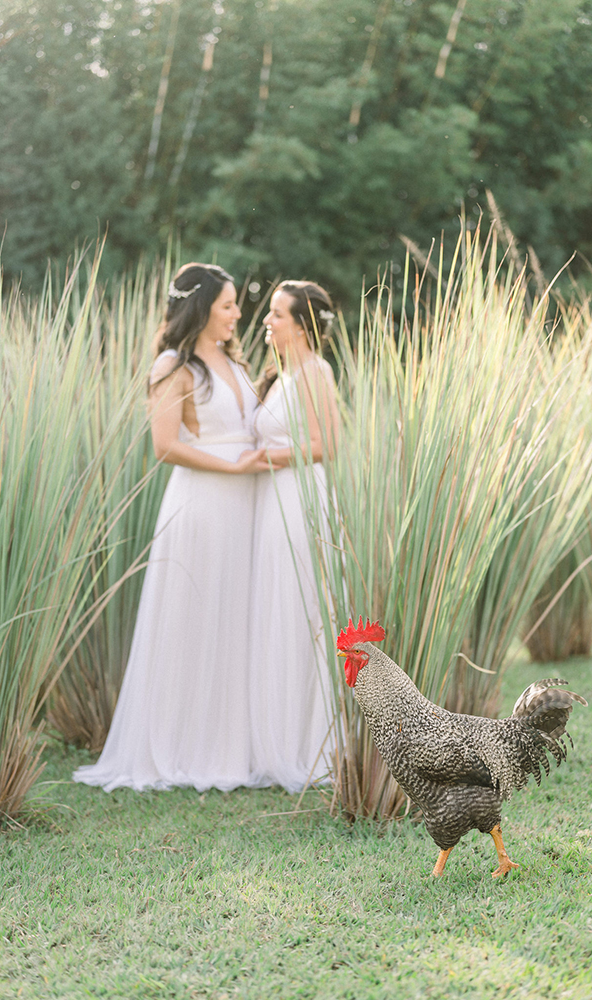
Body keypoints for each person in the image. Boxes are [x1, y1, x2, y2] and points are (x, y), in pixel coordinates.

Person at [74, 263, 273, 792]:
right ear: (201, 307)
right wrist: (232, 466)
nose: (236, 314)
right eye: (228, 305)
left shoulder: (232, 359)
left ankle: (234, 743)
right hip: (204, 504)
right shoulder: (173, 363)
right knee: (197, 615)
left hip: (247, 504)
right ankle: (183, 746)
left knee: (235, 618)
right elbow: (165, 445)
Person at [249, 281, 340, 792]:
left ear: (302, 326)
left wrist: (264, 459)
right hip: (271, 503)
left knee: (300, 608)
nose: (268, 321)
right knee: (275, 609)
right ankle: (274, 734)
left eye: (277, 315)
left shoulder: (314, 372)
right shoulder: (279, 377)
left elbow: (326, 443)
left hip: (301, 499)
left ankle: (307, 742)